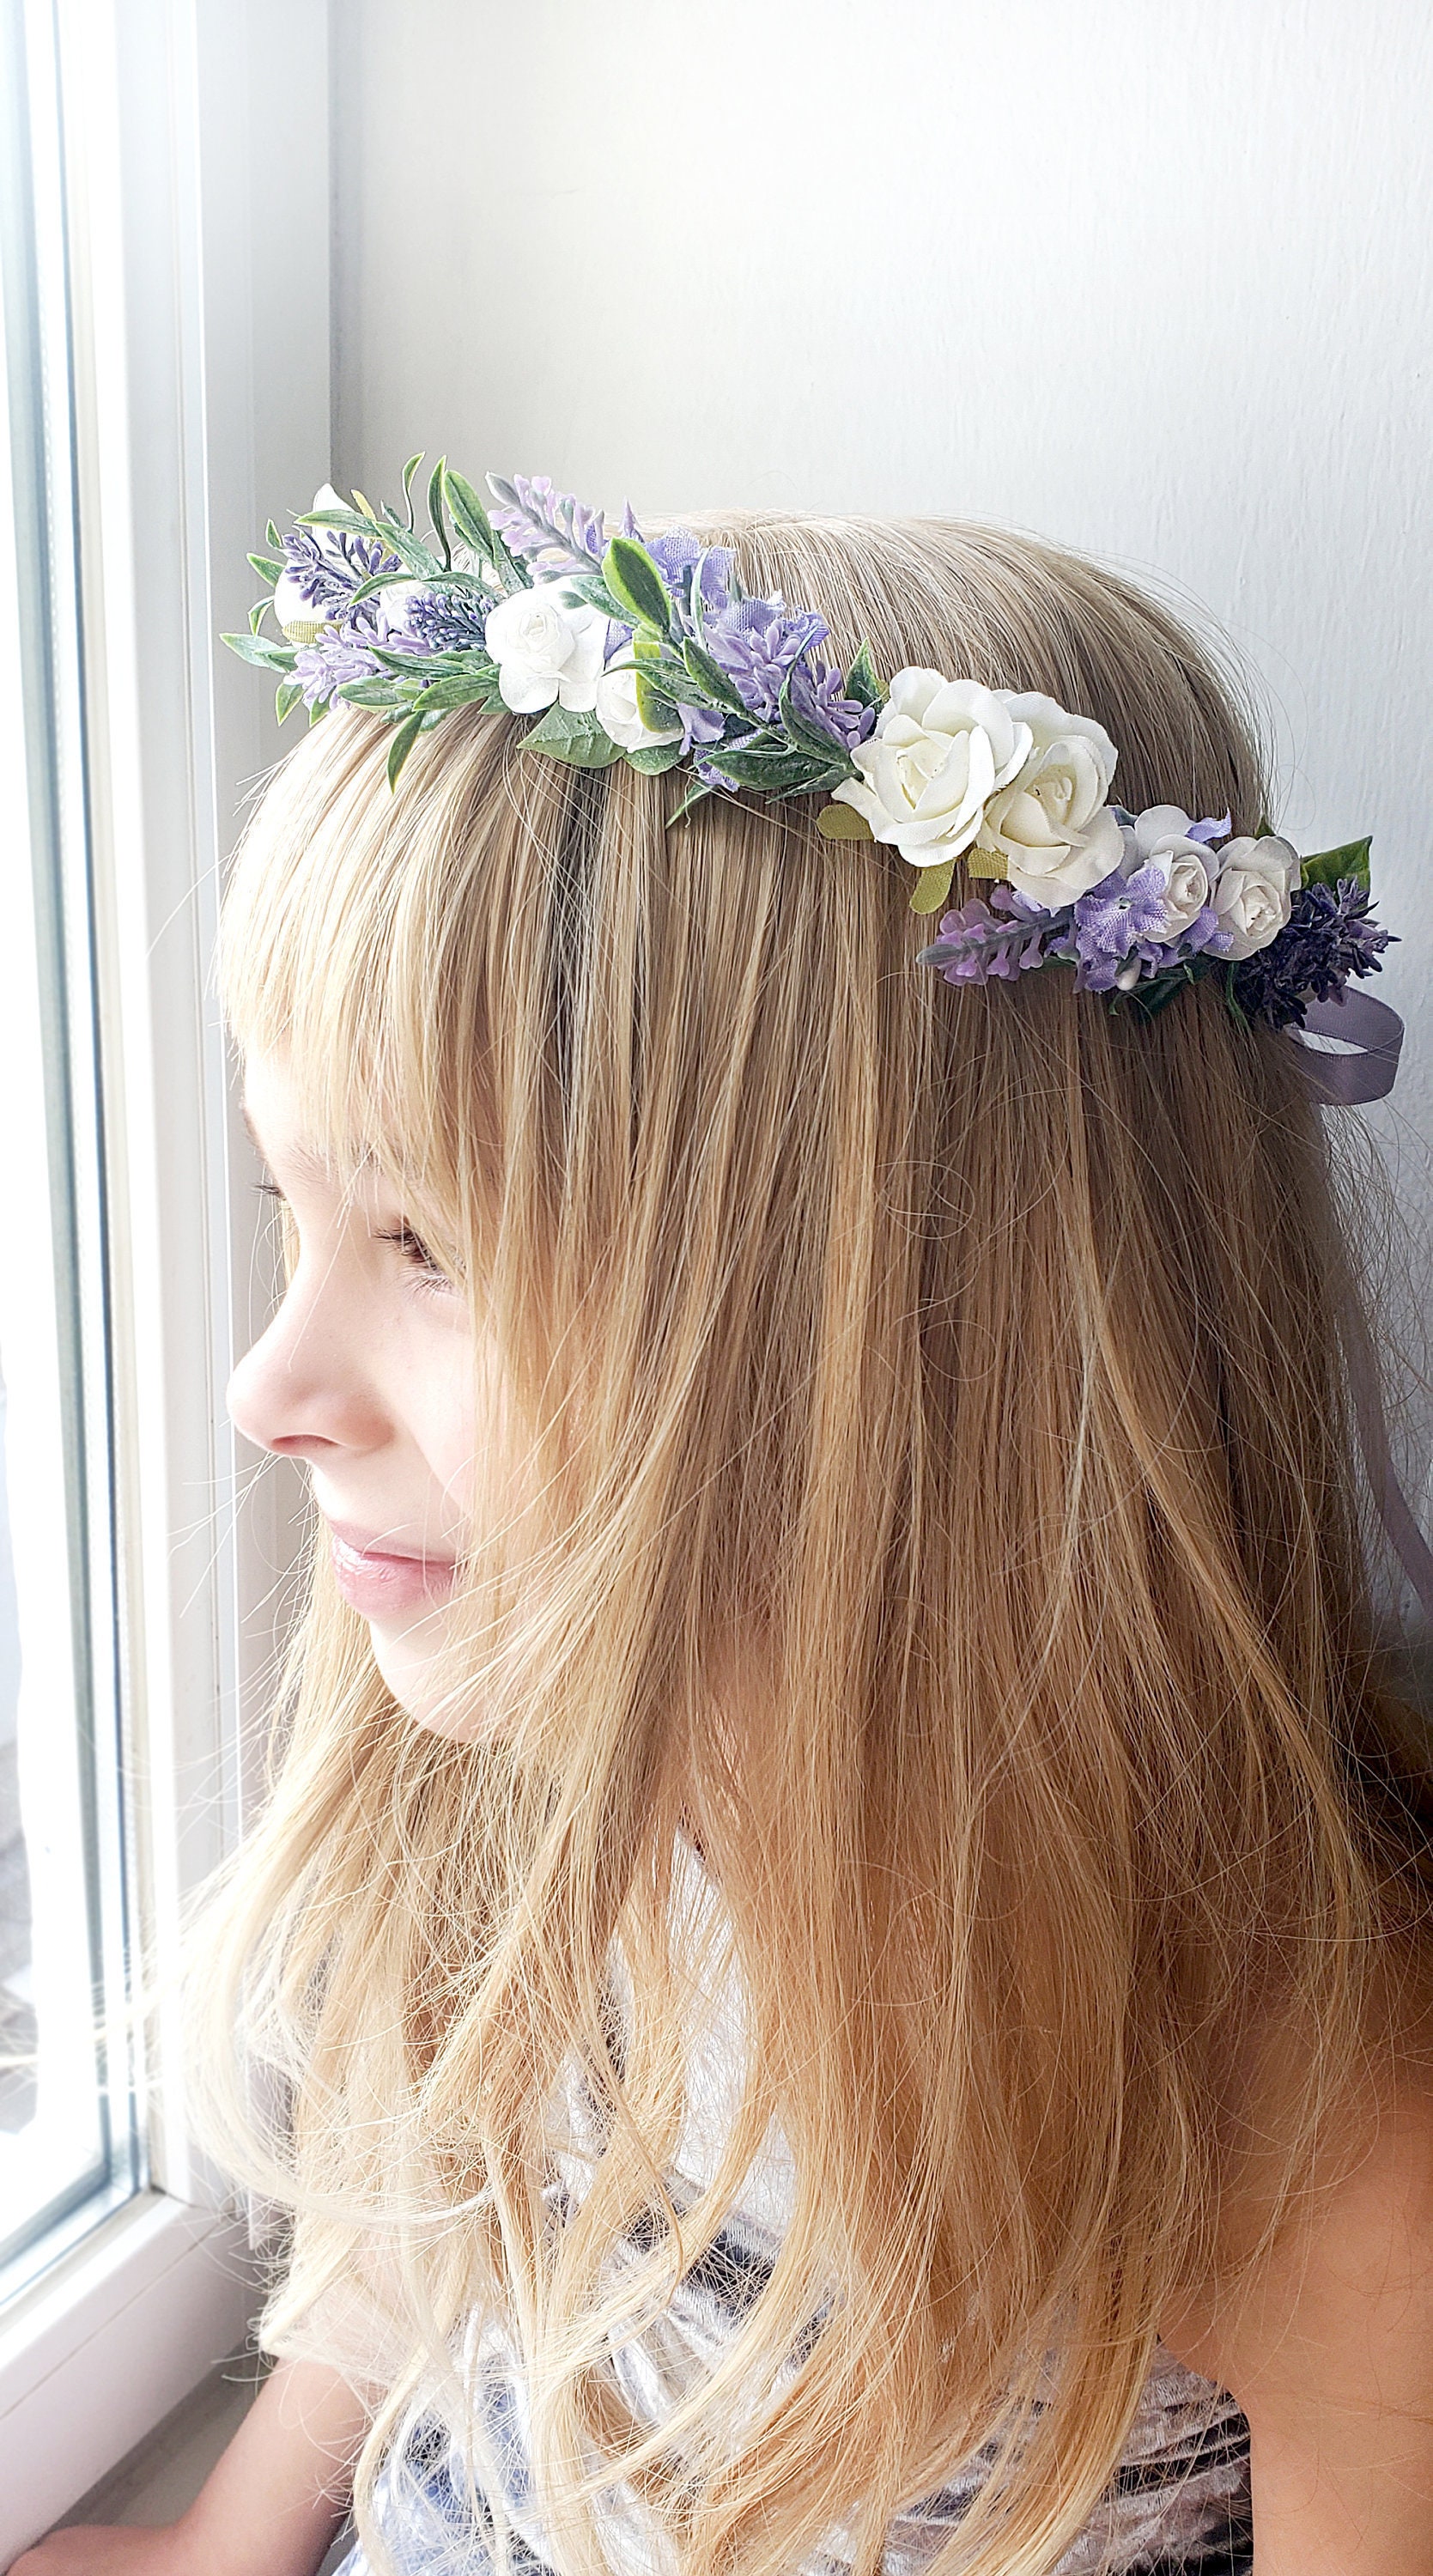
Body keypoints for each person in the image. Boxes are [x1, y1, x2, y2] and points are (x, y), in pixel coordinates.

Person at [15, 487, 1433, 2576]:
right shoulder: (532, 1775)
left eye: (426, 1243)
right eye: (289, 1210)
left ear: (913, 1332)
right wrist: (229, 2539)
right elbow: (453, 2216)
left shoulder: (1265, 2061)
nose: (269, 1389)